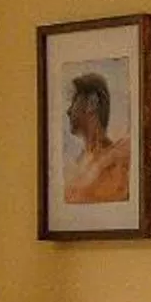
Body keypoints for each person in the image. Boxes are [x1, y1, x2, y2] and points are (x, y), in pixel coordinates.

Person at [62, 70, 132, 205]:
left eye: (74, 101)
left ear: (92, 103)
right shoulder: (77, 163)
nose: (68, 111)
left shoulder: (117, 159)